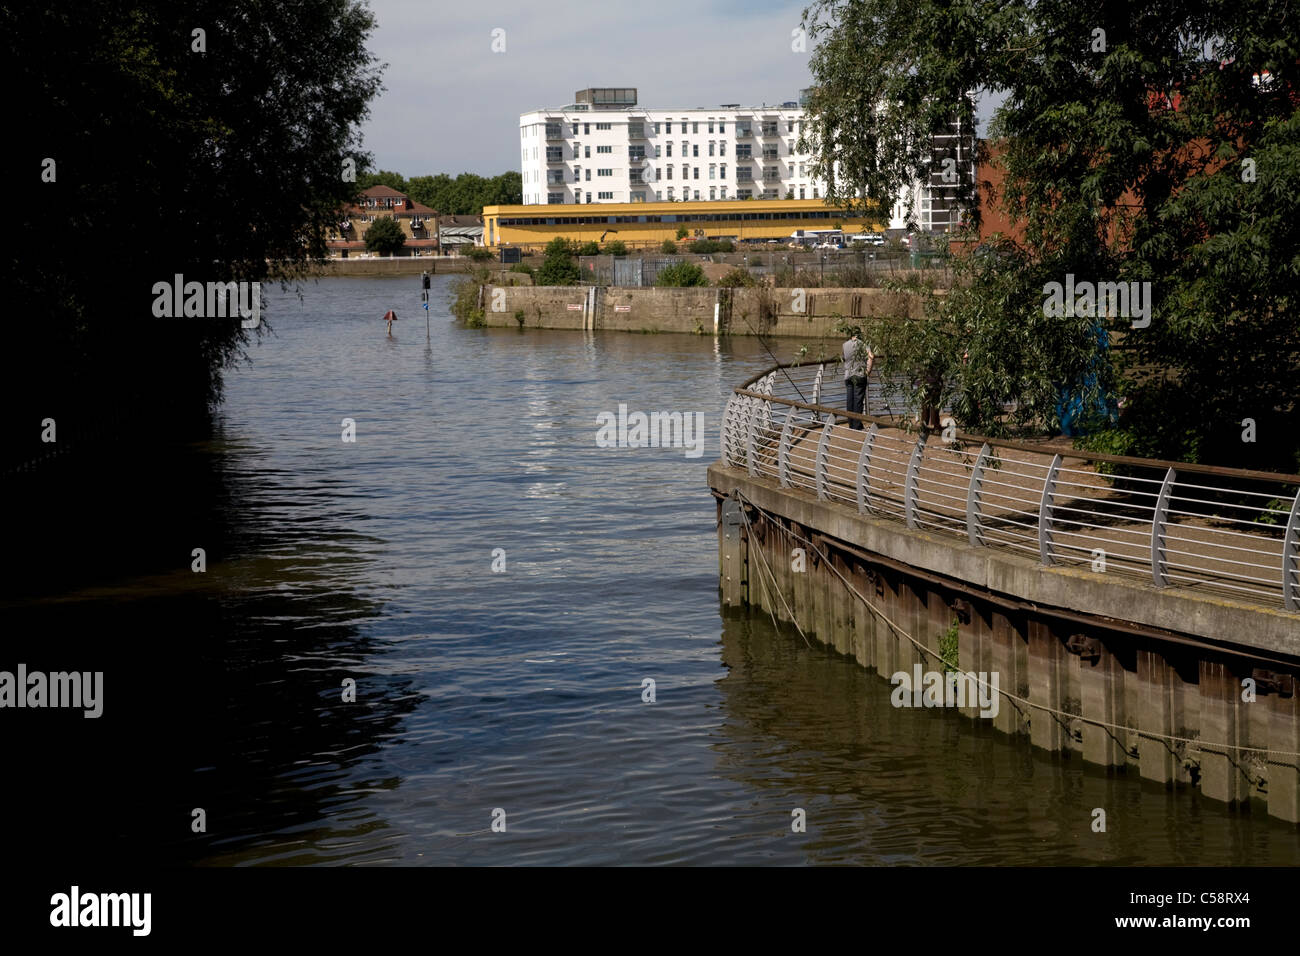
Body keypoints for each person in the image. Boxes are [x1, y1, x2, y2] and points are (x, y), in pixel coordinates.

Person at [842, 327, 874, 429]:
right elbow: (871, 357)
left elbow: (844, 358)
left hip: (848, 375)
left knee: (849, 399)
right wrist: (868, 371)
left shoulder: (845, 345)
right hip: (859, 375)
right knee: (858, 400)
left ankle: (851, 423)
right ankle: (857, 425)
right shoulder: (863, 344)